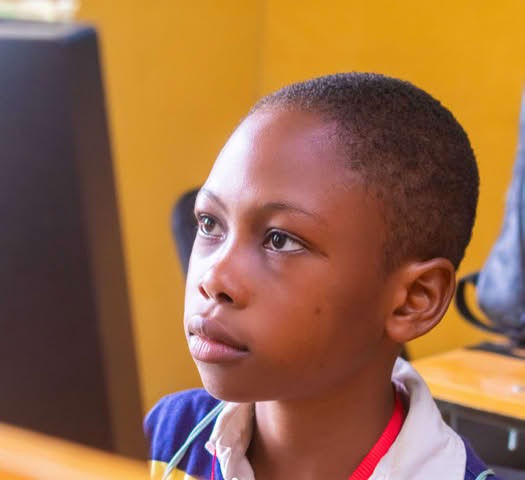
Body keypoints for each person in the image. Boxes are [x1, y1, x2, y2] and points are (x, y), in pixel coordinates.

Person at [145, 73, 497, 480]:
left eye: (280, 240)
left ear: (413, 299)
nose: (214, 278)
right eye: (209, 224)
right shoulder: (165, 442)